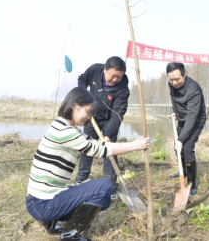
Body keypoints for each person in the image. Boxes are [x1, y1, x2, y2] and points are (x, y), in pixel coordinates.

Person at [26, 87, 150, 241]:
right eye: (88, 112)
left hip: (39, 200)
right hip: (42, 204)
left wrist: (102, 143)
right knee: (105, 186)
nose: (90, 117)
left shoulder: (61, 126)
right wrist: (134, 145)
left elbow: (92, 143)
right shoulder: (65, 132)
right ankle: (69, 235)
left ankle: (50, 223)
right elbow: (98, 150)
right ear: (75, 105)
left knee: (104, 199)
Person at [73, 56, 130, 199]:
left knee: (109, 150)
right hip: (91, 117)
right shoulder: (94, 70)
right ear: (105, 70)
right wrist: (82, 94)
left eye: (119, 76)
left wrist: (108, 134)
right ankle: (81, 178)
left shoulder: (123, 89)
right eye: (113, 76)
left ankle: (110, 184)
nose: (115, 79)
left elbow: (118, 114)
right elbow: (82, 79)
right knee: (87, 146)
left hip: (109, 119)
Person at [167, 62, 206, 195]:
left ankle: (192, 183)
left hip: (195, 120)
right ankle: (182, 170)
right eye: (171, 79)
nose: (174, 83)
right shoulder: (171, 84)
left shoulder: (193, 90)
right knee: (177, 147)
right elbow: (174, 99)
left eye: (177, 79)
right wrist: (176, 113)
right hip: (183, 118)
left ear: (184, 75)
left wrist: (181, 139)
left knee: (187, 148)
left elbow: (192, 117)